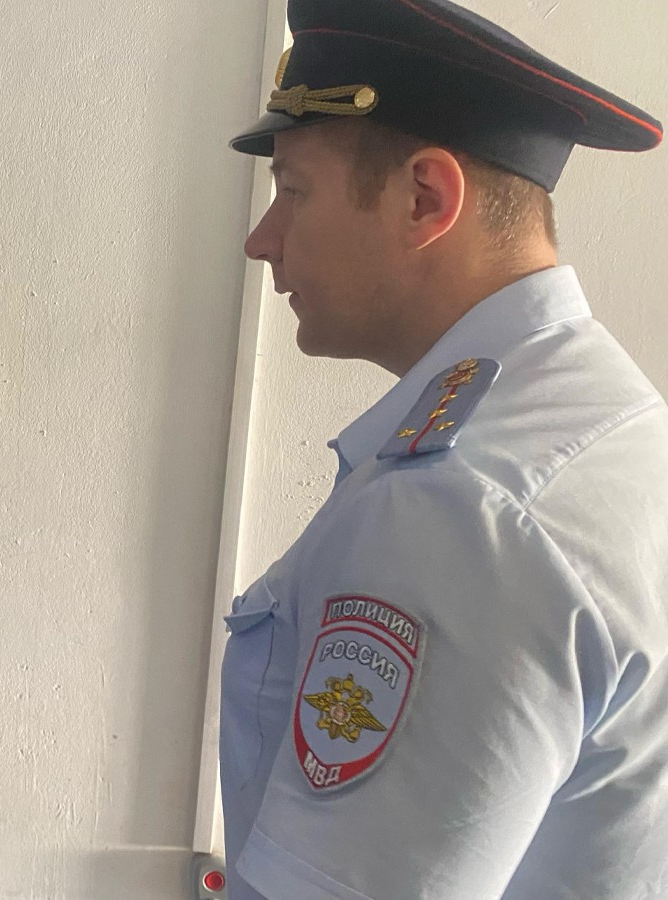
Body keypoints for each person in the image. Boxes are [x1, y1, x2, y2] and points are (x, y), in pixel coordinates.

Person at [220, 0, 667, 897]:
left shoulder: (461, 508)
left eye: (293, 191)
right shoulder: (611, 419)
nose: (260, 241)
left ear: (425, 198)